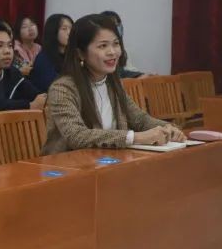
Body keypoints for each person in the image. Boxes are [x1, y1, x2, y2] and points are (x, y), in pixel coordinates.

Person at [44, 14, 184, 154]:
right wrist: (135, 137)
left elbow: (140, 120)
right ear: (81, 54)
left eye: (116, 44)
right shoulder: (62, 88)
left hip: (109, 160)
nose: (112, 52)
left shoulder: (112, 83)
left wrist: (167, 128)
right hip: (67, 163)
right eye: (103, 46)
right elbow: (76, 136)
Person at [29, 14, 73, 93]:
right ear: (53, 31)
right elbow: (53, 87)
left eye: (71, 28)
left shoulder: (72, 55)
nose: (69, 33)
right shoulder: (44, 59)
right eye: (64, 29)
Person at [100, 10, 144, 77]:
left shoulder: (122, 50)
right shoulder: (99, 51)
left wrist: (141, 75)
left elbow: (124, 71)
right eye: (112, 25)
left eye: (118, 24)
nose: (117, 28)